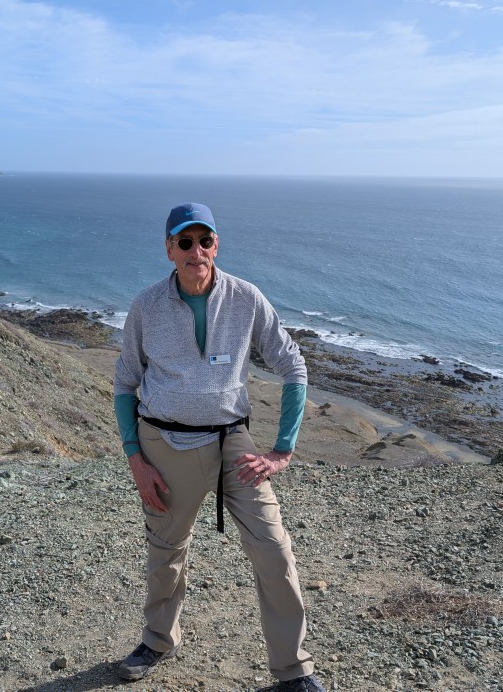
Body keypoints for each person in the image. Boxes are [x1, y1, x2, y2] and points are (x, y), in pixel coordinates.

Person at [113, 202, 326, 691]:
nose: (197, 251)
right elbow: (125, 383)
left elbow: (293, 365)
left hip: (234, 442)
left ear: (216, 245)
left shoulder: (246, 298)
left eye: (205, 241)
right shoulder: (146, 306)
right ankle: (158, 640)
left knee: (273, 549)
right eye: (185, 242)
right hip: (164, 442)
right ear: (169, 249)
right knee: (166, 551)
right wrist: (136, 459)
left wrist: (282, 449)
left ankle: (294, 669)